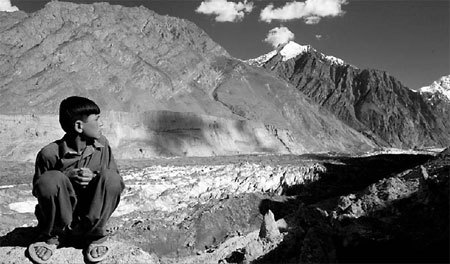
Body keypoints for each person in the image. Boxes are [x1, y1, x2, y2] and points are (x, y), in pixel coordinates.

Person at [27, 96, 125, 263]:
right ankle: (53, 236)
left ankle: (95, 235)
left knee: (112, 178)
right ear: (79, 126)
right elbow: (39, 190)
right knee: (50, 179)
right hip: (59, 221)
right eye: (97, 120)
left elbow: (114, 182)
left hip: (89, 219)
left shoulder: (102, 145)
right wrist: (66, 176)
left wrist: (94, 177)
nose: (102, 124)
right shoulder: (49, 154)